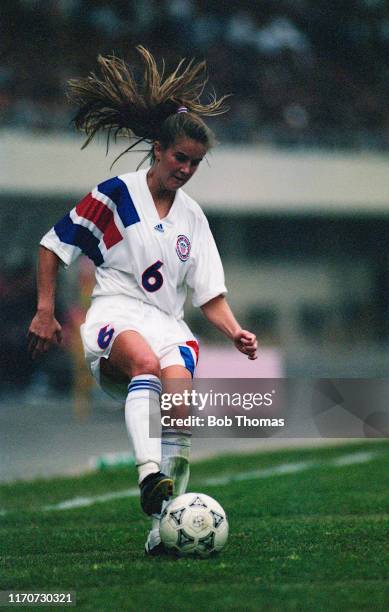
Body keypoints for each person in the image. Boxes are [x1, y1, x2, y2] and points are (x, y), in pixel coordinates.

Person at [27, 46, 257, 555]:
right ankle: (148, 475)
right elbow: (52, 245)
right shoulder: (114, 195)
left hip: (169, 322)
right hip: (115, 312)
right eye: (180, 158)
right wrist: (45, 310)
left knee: (178, 408)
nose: (187, 170)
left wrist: (234, 330)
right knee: (146, 365)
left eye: (195, 163)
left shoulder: (192, 217)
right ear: (157, 149)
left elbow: (210, 294)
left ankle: (162, 527)